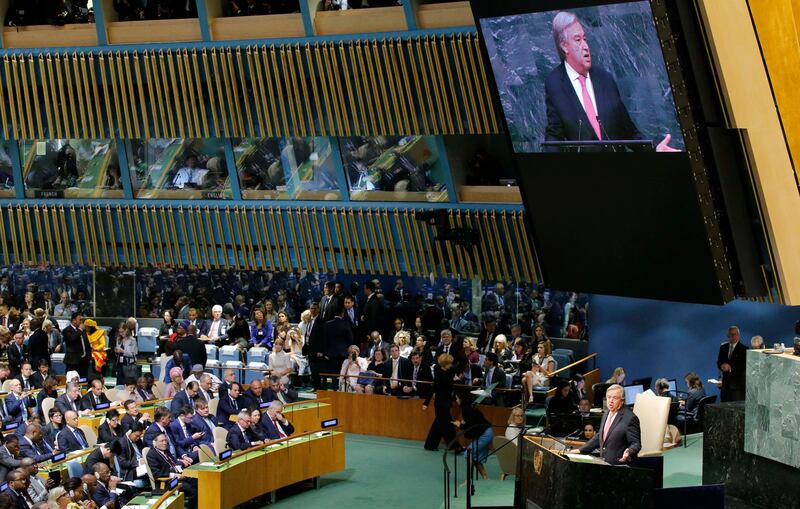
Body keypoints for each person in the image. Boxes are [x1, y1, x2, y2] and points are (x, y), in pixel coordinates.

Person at [544, 11, 679, 152]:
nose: (585, 46)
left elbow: (628, 131)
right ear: (565, 46)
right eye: (578, 40)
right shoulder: (554, 83)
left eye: (585, 38)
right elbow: (554, 137)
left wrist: (655, 150)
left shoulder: (605, 79)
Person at [571, 384, 641, 465]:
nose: (611, 400)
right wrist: (580, 450)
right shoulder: (606, 413)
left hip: (620, 465)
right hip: (604, 464)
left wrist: (629, 452)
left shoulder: (630, 418)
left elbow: (636, 443)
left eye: (615, 398)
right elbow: (600, 436)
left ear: (622, 401)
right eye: (609, 397)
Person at [147, 433, 198, 509]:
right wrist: (174, 475)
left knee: (198, 482)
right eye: (162, 441)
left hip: (179, 476)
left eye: (165, 440)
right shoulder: (152, 454)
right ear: (155, 443)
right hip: (168, 482)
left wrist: (182, 464)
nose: (165, 443)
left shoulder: (166, 451)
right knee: (192, 490)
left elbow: (173, 463)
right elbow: (157, 473)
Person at [455, 393, 493, 480]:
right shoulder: (469, 407)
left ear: (462, 399)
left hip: (485, 434)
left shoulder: (466, 409)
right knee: (475, 458)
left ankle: (468, 480)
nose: (456, 400)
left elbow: (471, 425)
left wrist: (460, 425)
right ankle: (485, 477)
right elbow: (473, 422)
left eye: (457, 398)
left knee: (468, 455)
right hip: (486, 431)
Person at [423, 354, 456, 451]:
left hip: (446, 401)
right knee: (444, 424)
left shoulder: (450, 371)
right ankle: (453, 446)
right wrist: (426, 402)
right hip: (440, 403)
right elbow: (433, 388)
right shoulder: (439, 374)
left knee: (442, 424)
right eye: (449, 363)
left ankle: (432, 445)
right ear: (445, 364)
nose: (451, 364)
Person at [717, 326, 748, 402]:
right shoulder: (723, 347)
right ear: (728, 335)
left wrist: (730, 367)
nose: (733, 336)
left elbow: (743, 366)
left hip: (737, 387)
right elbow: (719, 361)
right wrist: (721, 366)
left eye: (735, 334)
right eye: (731, 334)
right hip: (725, 385)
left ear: (738, 335)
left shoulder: (744, 349)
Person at [62, 312, 90, 377]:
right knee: (72, 380)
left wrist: (89, 358)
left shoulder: (83, 330)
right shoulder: (66, 330)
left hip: (83, 360)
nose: (81, 321)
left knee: (83, 380)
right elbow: (72, 339)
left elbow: (86, 343)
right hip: (73, 361)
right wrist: (80, 329)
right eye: (79, 320)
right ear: (74, 320)